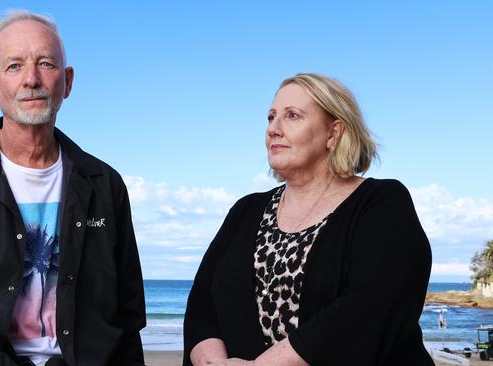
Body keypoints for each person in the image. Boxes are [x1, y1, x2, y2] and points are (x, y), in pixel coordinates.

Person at [0, 10, 145, 366]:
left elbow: (126, 319)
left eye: (46, 64)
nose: (31, 79)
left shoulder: (105, 186)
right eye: (14, 66)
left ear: (67, 82)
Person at [183, 73, 433, 366]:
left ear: (334, 133)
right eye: (270, 117)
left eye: (292, 116)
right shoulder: (245, 210)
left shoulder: (381, 202)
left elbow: (374, 307)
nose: (273, 129)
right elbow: (203, 305)